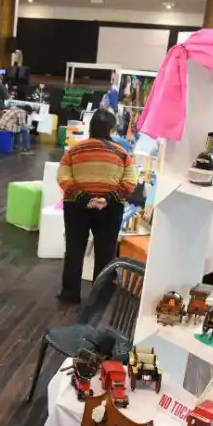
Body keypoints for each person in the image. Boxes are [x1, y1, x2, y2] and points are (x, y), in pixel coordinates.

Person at [57, 110, 138, 304]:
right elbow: (130, 181)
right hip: (111, 209)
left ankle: (70, 294)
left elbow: (63, 177)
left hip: (76, 206)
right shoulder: (122, 153)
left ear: (91, 126)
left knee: (74, 249)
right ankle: (100, 296)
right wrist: (108, 199)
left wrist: (84, 197)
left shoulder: (74, 150)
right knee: (105, 251)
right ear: (111, 128)